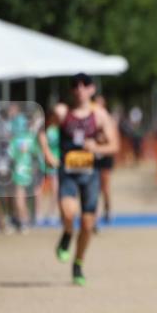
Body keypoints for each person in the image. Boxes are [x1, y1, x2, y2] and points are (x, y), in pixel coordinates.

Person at [39, 73, 120, 286]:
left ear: (92, 89)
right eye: (75, 85)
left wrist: (97, 147)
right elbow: (41, 130)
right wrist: (47, 153)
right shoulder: (62, 112)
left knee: (87, 223)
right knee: (68, 212)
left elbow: (114, 146)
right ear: (71, 90)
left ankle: (78, 263)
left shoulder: (100, 115)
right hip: (67, 171)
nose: (80, 89)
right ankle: (66, 234)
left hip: (90, 174)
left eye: (85, 85)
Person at [92, 95, 115, 226]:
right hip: (93, 158)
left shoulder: (108, 119)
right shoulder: (89, 119)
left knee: (105, 188)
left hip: (105, 158)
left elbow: (113, 141)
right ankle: (94, 217)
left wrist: (102, 139)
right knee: (93, 188)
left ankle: (107, 209)